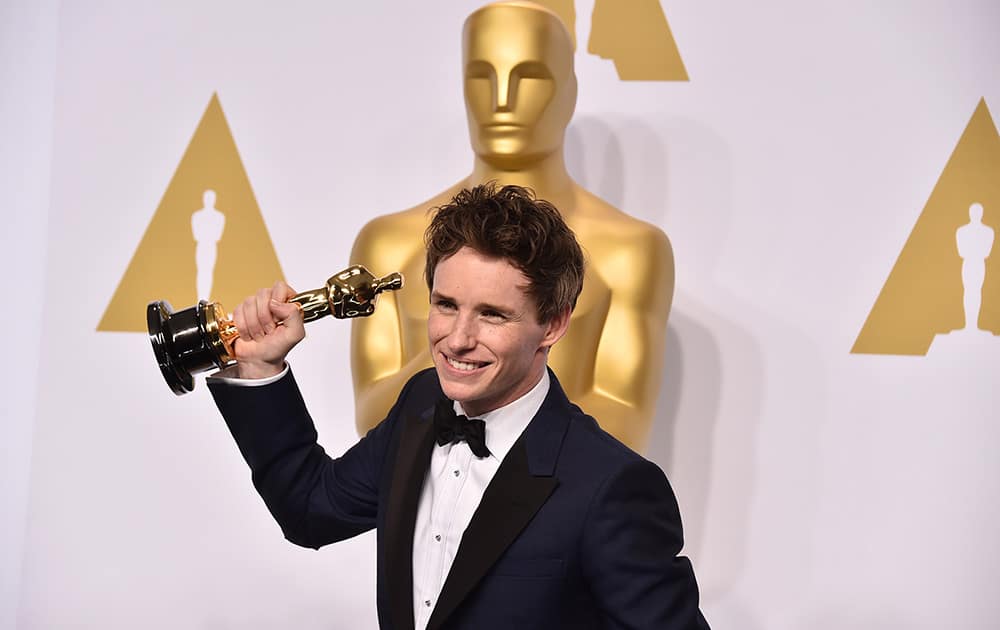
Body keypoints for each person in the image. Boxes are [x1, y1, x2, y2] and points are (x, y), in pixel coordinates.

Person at [208, 183, 708, 630]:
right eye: (446, 304)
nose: (457, 339)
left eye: (492, 315)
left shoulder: (611, 486)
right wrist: (261, 370)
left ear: (552, 326)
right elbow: (310, 511)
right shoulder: (420, 406)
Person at [350, 1, 674, 451]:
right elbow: (372, 423)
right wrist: (456, 347)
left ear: (570, 92)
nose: (502, 100)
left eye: (531, 77)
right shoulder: (389, 243)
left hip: (554, 513)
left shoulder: (630, 251)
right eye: (482, 77)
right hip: (418, 507)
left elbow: (624, 425)